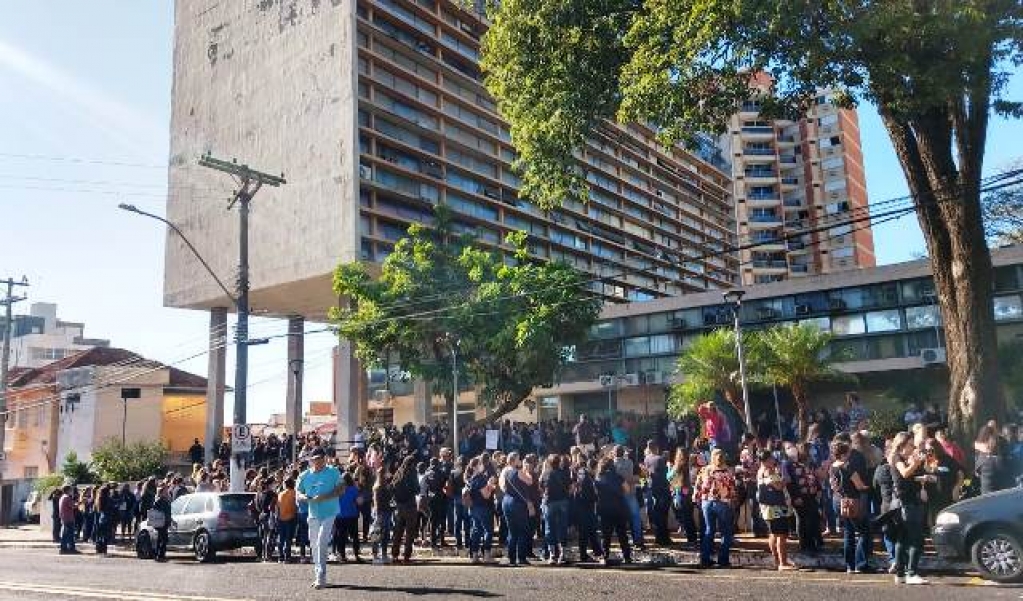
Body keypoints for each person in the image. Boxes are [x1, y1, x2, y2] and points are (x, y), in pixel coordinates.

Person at [297, 447, 344, 590]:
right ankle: (318, 574)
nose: (318, 462)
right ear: (311, 460)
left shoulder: (333, 472)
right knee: (314, 545)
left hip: (330, 512)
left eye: (321, 458)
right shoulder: (304, 475)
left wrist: (326, 496)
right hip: (313, 513)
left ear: (325, 458)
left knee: (322, 540)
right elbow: (298, 492)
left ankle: (320, 577)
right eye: (315, 459)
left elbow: (342, 488)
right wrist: (305, 497)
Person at [890, 432, 929, 585]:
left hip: (909, 501)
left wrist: (922, 477)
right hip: (906, 503)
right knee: (916, 538)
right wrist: (916, 463)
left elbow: (908, 478)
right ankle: (911, 573)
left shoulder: (904, 458)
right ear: (902, 445)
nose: (913, 447)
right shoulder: (896, 458)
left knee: (902, 539)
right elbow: (905, 473)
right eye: (911, 444)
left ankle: (900, 574)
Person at [829, 440, 873, 574]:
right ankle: (861, 563)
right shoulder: (848, 467)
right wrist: (868, 487)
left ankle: (850, 565)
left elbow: (832, 485)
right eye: (848, 452)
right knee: (864, 532)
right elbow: (859, 485)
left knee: (848, 532)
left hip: (838, 501)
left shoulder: (832, 467)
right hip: (851, 501)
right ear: (843, 454)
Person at [694, 448, 737, 568]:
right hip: (722, 503)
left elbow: (697, 486)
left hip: (706, 503)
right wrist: (733, 500)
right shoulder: (727, 471)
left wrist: (697, 499)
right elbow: (732, 489)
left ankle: (705, 559)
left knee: (709, 530)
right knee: (726, 532)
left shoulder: (705, 470)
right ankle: (723, 559)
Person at [757, 451, 795, 571]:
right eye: (772, 458)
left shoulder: (762, 471)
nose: (774, 460)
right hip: (776, 508)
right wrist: (785, 480)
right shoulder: (768, 471)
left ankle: (777, 559)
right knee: (781, 535)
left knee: (774, 534)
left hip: (771, 508)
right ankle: (782, 562)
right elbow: (777, 486)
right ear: (767, 460)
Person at [594, 457, 632, 565]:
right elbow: (627, 489)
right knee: (622, 534)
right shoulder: (618, 477)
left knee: (606, 535)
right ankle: (627, 556)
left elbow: (595, 493)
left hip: (605, 509)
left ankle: (604, 556)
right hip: (619, 508)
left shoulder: (598, 478)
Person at [499, 452, 533, 566]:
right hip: (517, 503)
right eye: (519, 459)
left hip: (506, 501)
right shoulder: (518, 472)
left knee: (512, 531)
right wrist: (526, 470)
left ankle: (511, 558)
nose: (520, 461)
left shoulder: (505, 472)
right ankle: (521, 557)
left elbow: (503, 487)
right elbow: (530, 481)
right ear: (514, 461)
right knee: (523, 530)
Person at [540, 454, 570, 564]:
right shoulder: (565, 473)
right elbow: (570, 487)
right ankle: (563, 554)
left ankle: (552, 555)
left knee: (549, 528)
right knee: (562, 527)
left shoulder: (545, 473)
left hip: (550, 502)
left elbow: (540, 487)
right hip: (562, 501)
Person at [390, 455, 420, 563]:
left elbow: (392, 487)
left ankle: (394, 555)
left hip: (399, 506)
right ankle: (406, 556)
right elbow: (417, 489)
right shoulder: (412, 473)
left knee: (398, 531)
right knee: (409, 532)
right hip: (410, 505)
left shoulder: (398, 472)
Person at [466, 456, 497, 563]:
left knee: (476, 530)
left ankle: (474, 555)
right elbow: (486, 495)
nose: (483, 465)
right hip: (484, 507)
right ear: (476, 466)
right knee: (488, 530)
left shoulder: (471, 478)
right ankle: (487, 555)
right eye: (480, 464)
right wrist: (491, 485)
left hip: (474, 508)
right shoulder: (481, 478)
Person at [573, 457, 603, 562]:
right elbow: (585, 495)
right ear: (593, 468)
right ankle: (586, 555)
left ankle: (597, 552)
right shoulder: (587, 478)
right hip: (585, 509)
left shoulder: (585, 477)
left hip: (584, 509)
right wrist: (595, 497)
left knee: (590, 532)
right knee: (586, 533)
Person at [644, 440, 673, 547]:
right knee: (663, 515)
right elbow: (667, 475)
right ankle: (663, 538)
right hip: (662, 489)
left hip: (653, 488)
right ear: (656, 447)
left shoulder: (647, 458)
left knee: (658, 514)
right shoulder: (660, 459)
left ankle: (660, 537)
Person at [333, 472, 362, 562]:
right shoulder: (354, 489)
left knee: (341, 536)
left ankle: (342, 555)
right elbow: (359, 501)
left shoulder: (338, 490)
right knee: (355, 536)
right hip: (352, 515)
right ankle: (356, 554)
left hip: (340, 516)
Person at [370, 465, 394, 564]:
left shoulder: (376, 486)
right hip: (383, 512)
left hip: (378, 512)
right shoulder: (382, 487)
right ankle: (382, 554)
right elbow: (382, 501)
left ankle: (375, 554)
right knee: (383, 535)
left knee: (376, 534)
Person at [277, 478, 298, 564]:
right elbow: (296, 506)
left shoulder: (280, 494)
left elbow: (277, 506)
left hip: (281, 518)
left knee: (281, 538)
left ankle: (280, 556)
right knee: (288, 539)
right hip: (291, 517)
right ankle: (287, 557)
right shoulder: (294, 493)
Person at [151, 485, 172, 562]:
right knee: (162, 539)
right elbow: (155, 511)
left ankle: (160, 554)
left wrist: (170, 519)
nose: (166, 492)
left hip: (165, 522)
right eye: (165, 492)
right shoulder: (159, 501)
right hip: (161, 522)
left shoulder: (166, 500)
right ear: (161, 493)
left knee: (163, 539)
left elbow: (168, 512)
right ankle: (159, 555)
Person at [58, 485, 78, 554]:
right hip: (68, 518)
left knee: (66, 534)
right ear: (68, 490)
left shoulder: (62, 497)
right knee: (69, 535)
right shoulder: (67, 498)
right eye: (71, 490)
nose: (72, 491)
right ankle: (70, 548)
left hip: (64, 518)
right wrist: (80, 502)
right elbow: (73, 506)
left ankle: (65, 548)